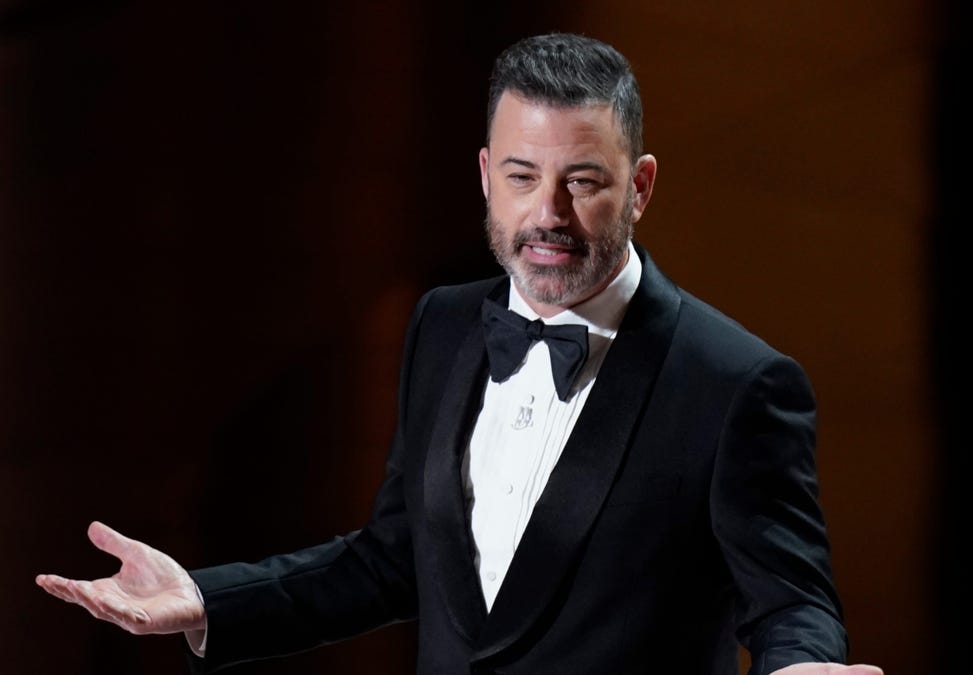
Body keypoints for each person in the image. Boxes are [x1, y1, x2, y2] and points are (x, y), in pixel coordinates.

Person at [36, 32, 885, 675]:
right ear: (485, 174)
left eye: (582, 181)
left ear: (641, 186)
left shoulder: (736, 382)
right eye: (522, 175)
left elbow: (792, 604)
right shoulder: (442, 325)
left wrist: (802, 663)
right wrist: (206, 598)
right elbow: (396, 557)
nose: (547, 212)